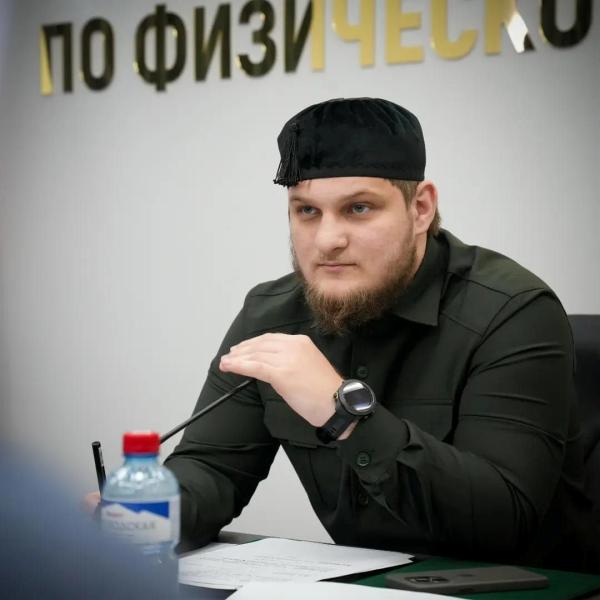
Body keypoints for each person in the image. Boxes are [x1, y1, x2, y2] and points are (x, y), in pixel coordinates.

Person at [165, 98, 596, 572]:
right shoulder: (271, 313)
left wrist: (342, 412)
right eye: (307, 211)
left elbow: (503, 521)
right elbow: (212, 468)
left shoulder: (513, 312)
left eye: (359, 208)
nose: (327, 239)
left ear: (421, 208)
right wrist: (142, 516)